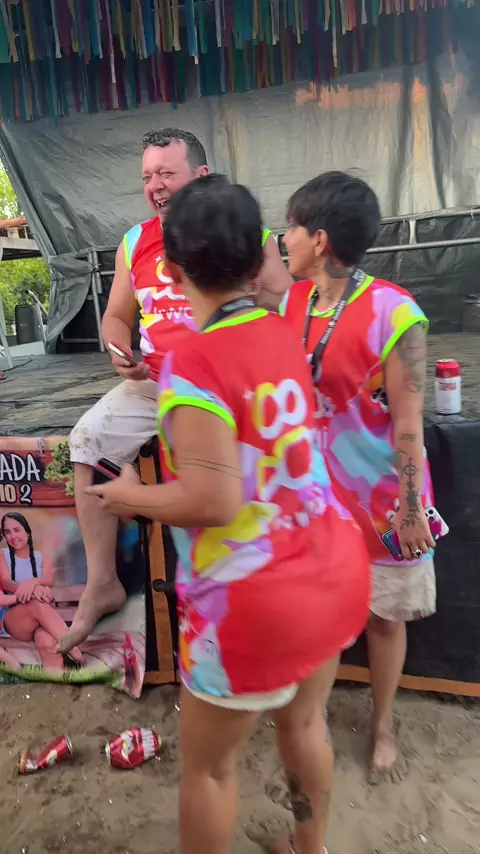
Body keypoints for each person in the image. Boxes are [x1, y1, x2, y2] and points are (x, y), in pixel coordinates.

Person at [87, 174, 370, 854]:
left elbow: (212, 501)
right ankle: (309, 848)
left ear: (171, 268)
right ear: (257, 257)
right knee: (305, 726)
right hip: (330, 571)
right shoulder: (282, 332)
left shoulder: (192, 363)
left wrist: (128, 497)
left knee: (210, 771)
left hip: (254, 604)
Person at [63, 128, 292, 654]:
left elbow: (285, 301)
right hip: (156, 383)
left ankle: (256, 593)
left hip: (232, 384)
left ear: (201, 176)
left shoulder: (243, 230)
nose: (156, 185)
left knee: (237, 476)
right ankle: (102, 582)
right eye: (148, 176)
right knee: (87, 440)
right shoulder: (134, 241)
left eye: (167, 172)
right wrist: (118, 348)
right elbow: (117, 316)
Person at [280, 171, 436, 783]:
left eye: (291, 227)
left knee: (383, 618)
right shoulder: (289, 303)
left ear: (319, 240)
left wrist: (410, 508)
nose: (283, 239)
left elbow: (408, 422)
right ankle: (311, 720)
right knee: (313, 614)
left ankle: (383, 726)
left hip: (380, 497)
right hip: (311, 496)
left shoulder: (395, 313)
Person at [0, 512, 83, 669]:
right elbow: (6, 582)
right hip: (15, 619)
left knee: (47, 642)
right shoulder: (2, 555)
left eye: (17, 530)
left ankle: (55, 680)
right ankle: (77, 652)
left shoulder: (44, 558)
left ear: (27, 532)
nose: (13, 536)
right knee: (35, 604)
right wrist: (31, 590)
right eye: (7, 532)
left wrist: (33, 582)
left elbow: (48, 581)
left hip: (43, 618)